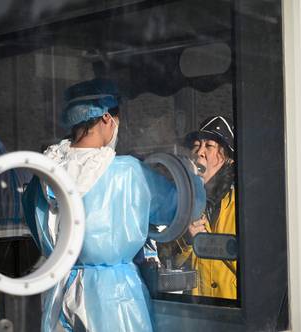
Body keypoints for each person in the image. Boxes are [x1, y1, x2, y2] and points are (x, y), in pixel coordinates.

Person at [22, 78, 186, 332]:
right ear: (108, 118)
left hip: (58, 289)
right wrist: (193, 176)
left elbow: (35, 226)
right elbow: (177, 207)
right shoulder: (126, 172)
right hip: (113, 296)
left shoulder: (43, 171)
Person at [173, 115, 237, 300]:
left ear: (228, 160)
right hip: (199, 310)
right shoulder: (186, 201)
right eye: (196, 145)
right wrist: (186, 239)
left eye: (209, 146)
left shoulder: (241, 203)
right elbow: (167, 257)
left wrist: (211, 244)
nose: (199, 152)